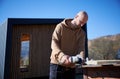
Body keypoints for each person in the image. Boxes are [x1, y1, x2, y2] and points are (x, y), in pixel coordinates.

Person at [49, 11, 88, 79]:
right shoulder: (60, 26)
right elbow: (54, 43)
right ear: (76, 17)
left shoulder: (82, 33)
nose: (82, 25)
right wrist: (62, 56)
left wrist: (81, 58)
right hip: (57, 65)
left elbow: (81, 48)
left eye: (84, 23)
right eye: (81, 22)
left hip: (71, 67)